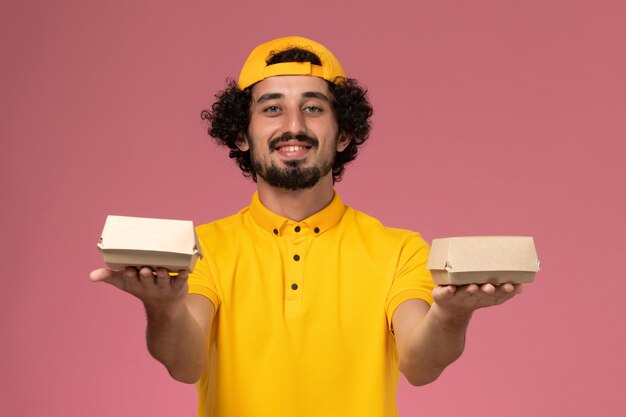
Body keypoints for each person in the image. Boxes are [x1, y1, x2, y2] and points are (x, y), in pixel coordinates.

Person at [90, 36, 522, 417]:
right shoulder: (204, 246)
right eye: (272, 108)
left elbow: (420, 365)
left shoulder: (400, 249)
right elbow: (185, 364)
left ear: (343, 134)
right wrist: (163, 308)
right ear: (242, 134)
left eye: (313, 108)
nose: (293, 126)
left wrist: (451, 314)